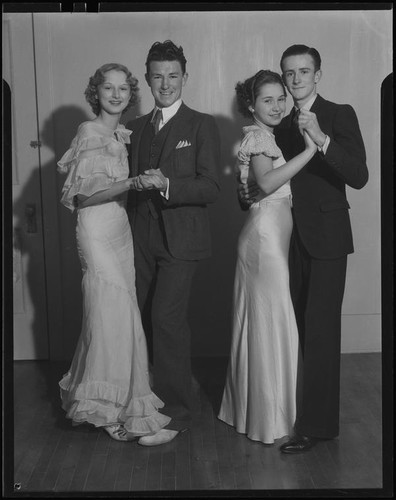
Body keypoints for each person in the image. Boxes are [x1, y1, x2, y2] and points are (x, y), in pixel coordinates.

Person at [240, 45, 369, 453]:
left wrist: (322, 139)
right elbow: (265, 180)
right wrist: (246, 194)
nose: (295, 81)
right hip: (283, 239)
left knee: (321, 332)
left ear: (318, 75)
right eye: (289, 73)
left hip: (327, 237)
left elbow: (360, 175)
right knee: (294, 330)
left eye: (303, 72)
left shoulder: (338, 113)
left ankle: (316, 427)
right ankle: (285, 412)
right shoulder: (275, 120)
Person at [57, 63, 171, 442]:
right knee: (110, 314)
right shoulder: (90, 132)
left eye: (124, 88)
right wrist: (134, 181)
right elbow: (84, 196)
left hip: (119, 228)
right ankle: (106, 411)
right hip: (96, 227)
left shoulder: (120, 133)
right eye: (109, 88)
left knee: (120, 317)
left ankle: (118, 404)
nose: (117, 95)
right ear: (96, 93)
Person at [126, 40, 220, 446]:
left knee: (167, 320)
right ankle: (147, 404)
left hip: (182, 240)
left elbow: (211, 186)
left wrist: (168, 185)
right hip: (141, 237)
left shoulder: (201, 124)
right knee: (143, 319)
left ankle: (177, 416)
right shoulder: (138, 127)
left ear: (185, 77)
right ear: (147, 79)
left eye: (173, 75)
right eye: (158, 76)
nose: (165, 83)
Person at [218, 70, 317, 444]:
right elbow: (267, 183)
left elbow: (249, 193)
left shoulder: (264, 137)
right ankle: (269, 418)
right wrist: (309, 151)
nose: (277, 106)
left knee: (265, 323)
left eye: (281, 99)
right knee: (270, 322)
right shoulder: (259, 137)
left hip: (266, 237)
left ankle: (261, 411)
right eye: (267, 100)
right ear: (251, 104)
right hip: (265, 243)